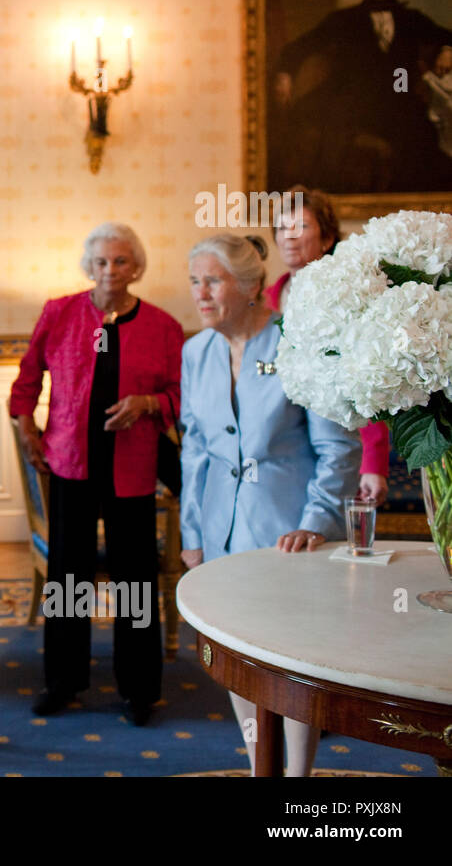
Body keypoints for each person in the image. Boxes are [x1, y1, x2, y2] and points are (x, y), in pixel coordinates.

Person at [180, 233, 361, 776]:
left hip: (289, 536)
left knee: (293, 662)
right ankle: (261, 768)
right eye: (194, 282)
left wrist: (316, 522)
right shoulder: (197, 351)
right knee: (239, 658)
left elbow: (337, 448)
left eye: (212, 280)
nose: (200, 293)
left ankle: (298, 777)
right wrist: (192, 533)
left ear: (251, 286)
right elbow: (194, 448)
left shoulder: (296, 344)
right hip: (222, 533)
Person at [9, 222, 182, 725]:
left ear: (137, 267)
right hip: (71, 463)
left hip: (133, 466)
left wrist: (148, 402)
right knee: (68, 579)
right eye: (102, 262)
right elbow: (26, 379)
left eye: (121, 261)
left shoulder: (164, 327)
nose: (111, 270)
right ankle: (63, 681)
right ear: (89, 267)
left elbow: (182, 395)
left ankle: (139, 689)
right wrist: (28, 427)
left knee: (136, 578)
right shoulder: (59, 312)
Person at [272, 0, 452, 192]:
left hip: (400, 100)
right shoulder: (345, 20)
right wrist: (284, 74)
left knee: (425, 144)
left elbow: (445, 35)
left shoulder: (410, 18)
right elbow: (300, 47)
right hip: (354, 105)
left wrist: (447, 49)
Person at [268, 186, 390, 504]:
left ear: (326, 238)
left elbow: (368, 380)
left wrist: (373, 463)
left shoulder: (352, 297)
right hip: (283, 451)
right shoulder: (264, 303)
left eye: (302, 227)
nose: (289, 236)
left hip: (340, 446)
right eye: (282, 227)